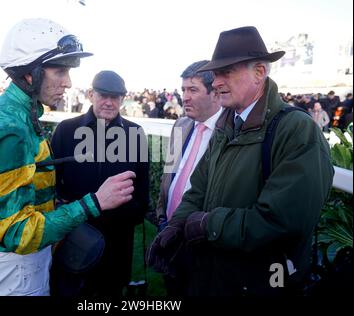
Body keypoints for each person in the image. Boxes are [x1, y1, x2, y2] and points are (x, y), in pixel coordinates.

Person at [147, 26, 334, 296]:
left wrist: (207, 225)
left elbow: (283, 221)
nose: (217, 82)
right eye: (216, 74)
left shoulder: (295, 129)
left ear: (260, 72)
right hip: (212, 279)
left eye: (227, 72)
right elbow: (198, 187)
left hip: (259, 285)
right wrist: (177, 225)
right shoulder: (227, 124)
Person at [0, 18, 135, 296]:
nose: (68, 82)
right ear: (31, 73)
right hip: (16, 267)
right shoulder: (10, 129)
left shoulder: (2, 110)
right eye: (60, 71)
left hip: (7, 260)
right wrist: (95, 202)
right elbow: (19, 233)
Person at [50, 70, 149, 296]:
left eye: (115, 97)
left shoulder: (135, 134)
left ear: (123, 99)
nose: (108, 102)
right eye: (103, 95)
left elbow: (142, 196)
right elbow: (49, 187)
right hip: (72, 242)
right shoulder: (67, 130)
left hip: (116, 247)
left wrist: (119, 214)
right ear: (90, 94)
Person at [154, 60, 222, 295]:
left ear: (215, 93)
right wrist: (162, 218)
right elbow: (169, 176)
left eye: (193, 90)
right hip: (168, 231)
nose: (185, 97)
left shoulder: (230, 132)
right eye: (183, 90)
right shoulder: (181, 125)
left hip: (201, 241)